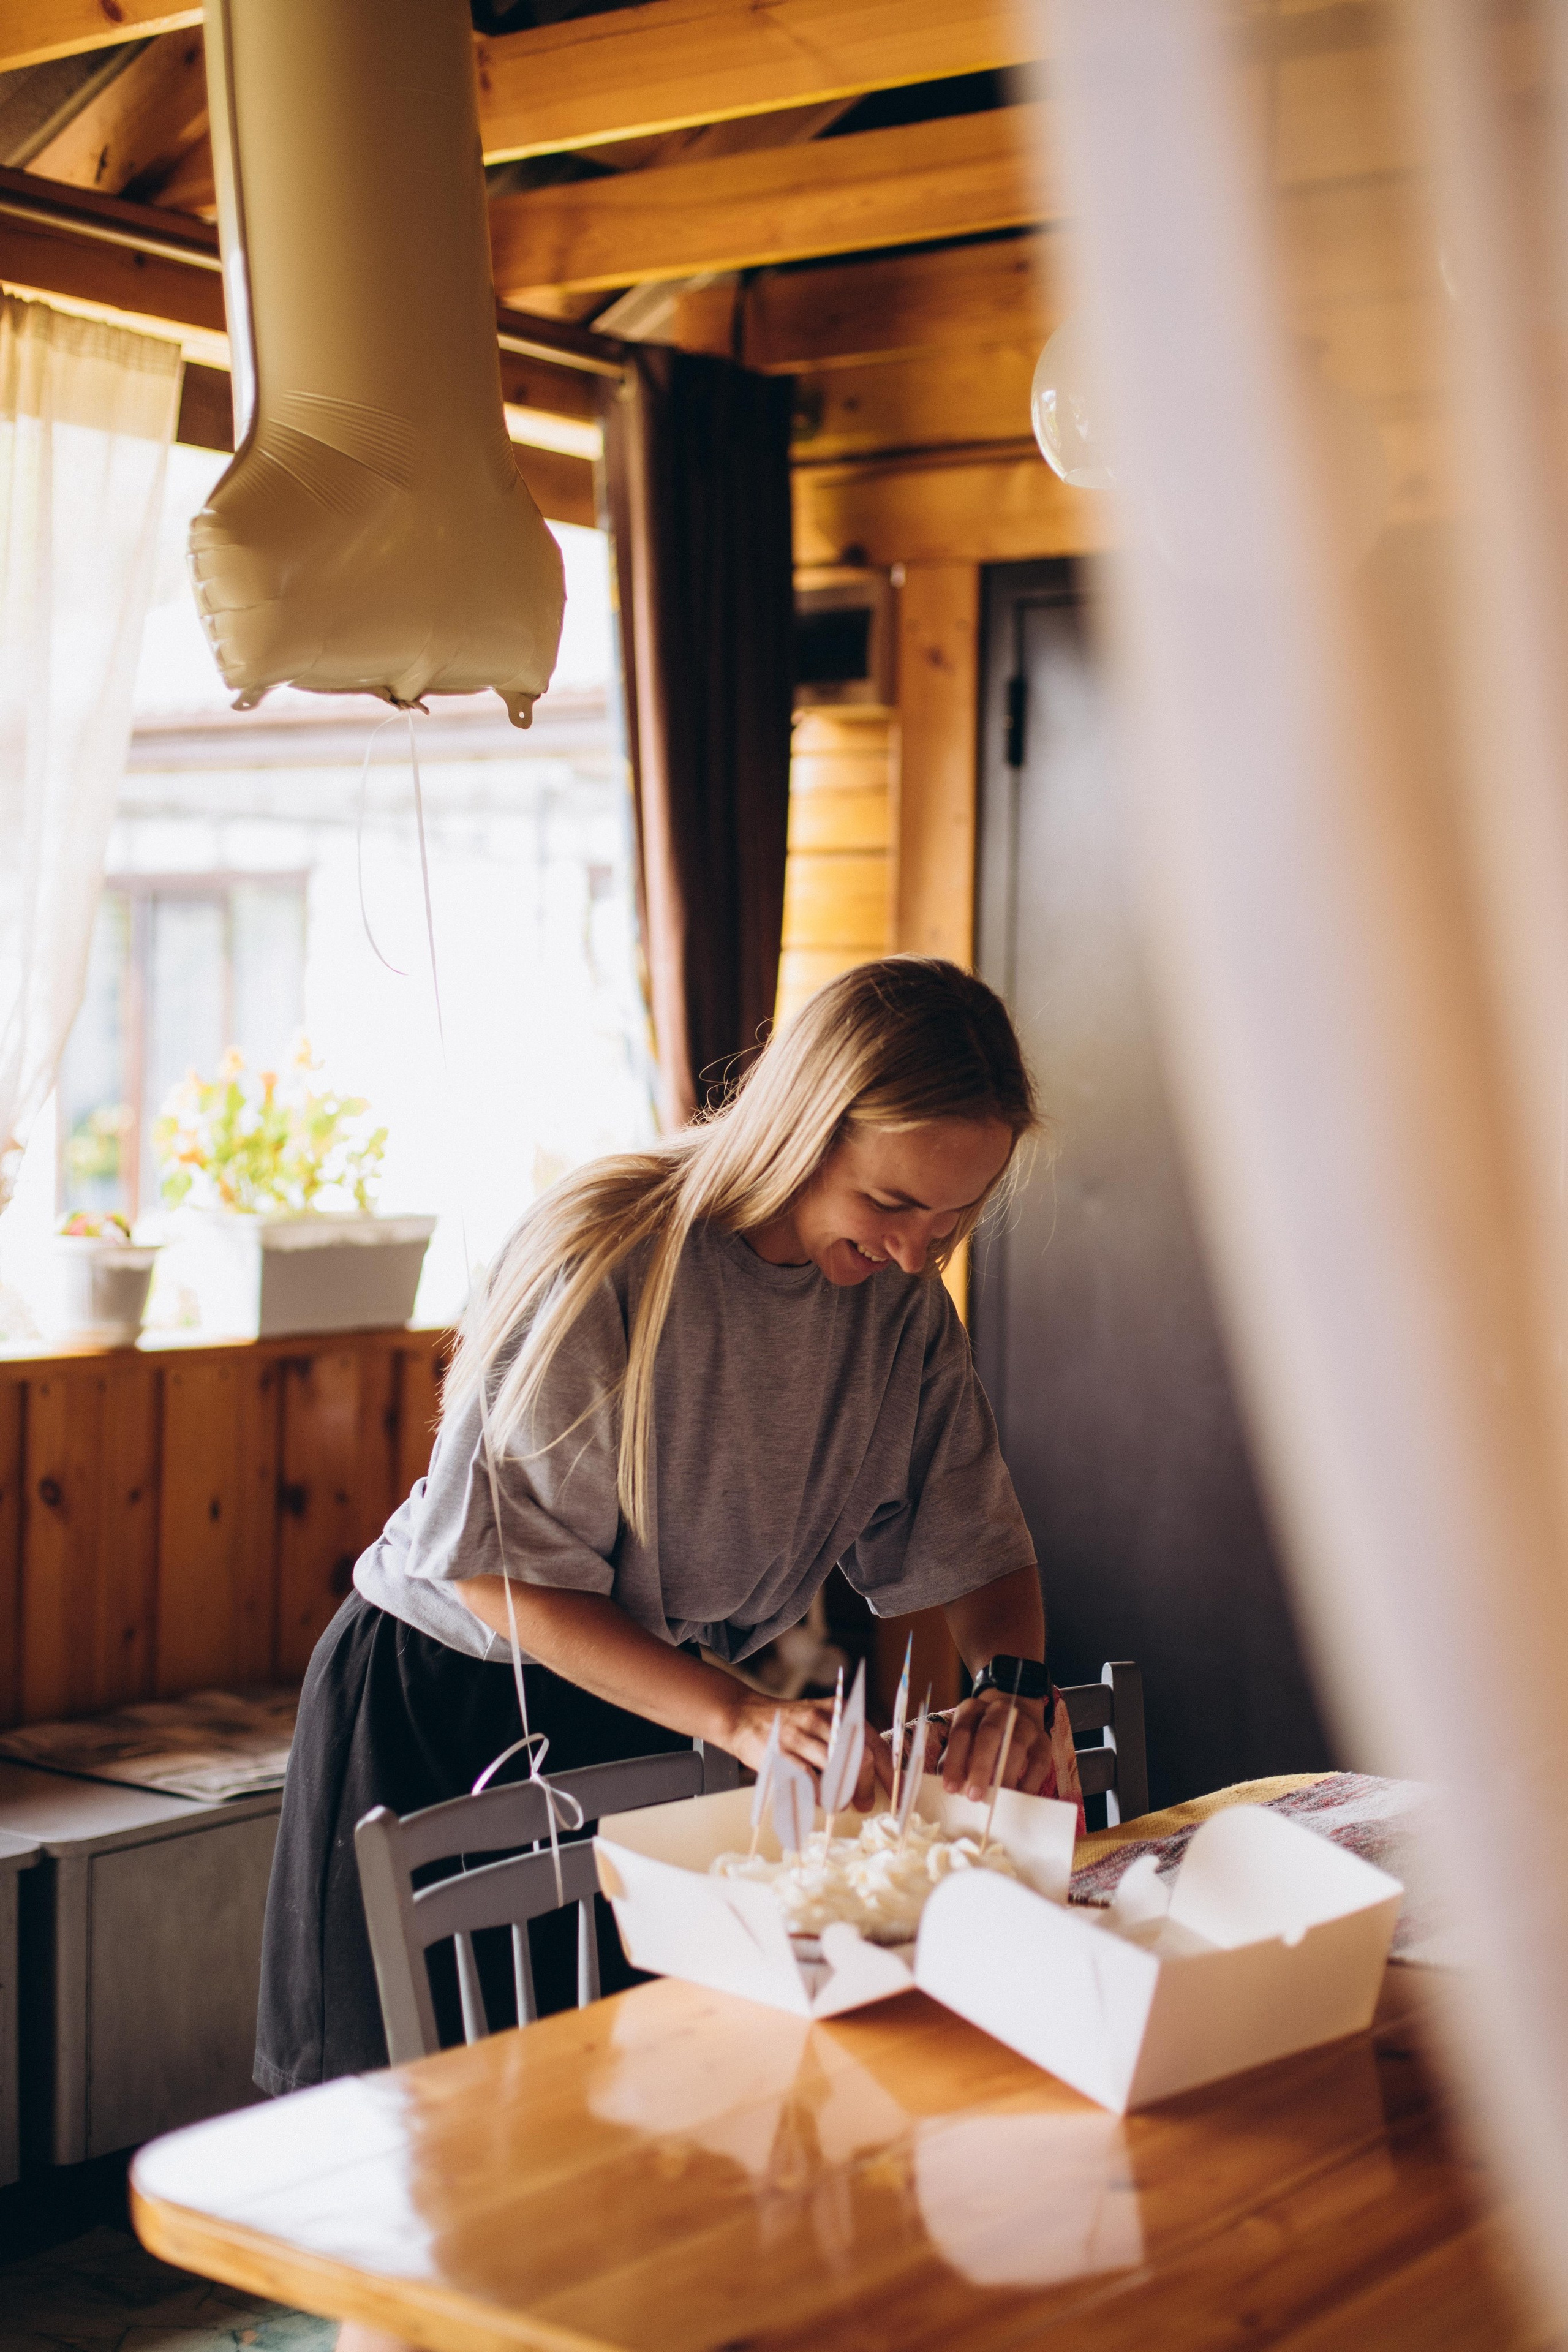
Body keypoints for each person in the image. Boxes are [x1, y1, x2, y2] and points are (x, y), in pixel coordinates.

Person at [255, 955, 1077, 2104]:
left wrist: (1016, 1686)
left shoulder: (903, 1310)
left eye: (954, 1217)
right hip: (439, 1696)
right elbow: (501, 1577)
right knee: (413, 2136)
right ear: (802, 1129)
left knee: (633, 2109)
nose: (914, 1250)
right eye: (890, 1204)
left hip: (652, 1697)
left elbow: (978, 1547)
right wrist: (740, 1715)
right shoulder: (610, 1250)